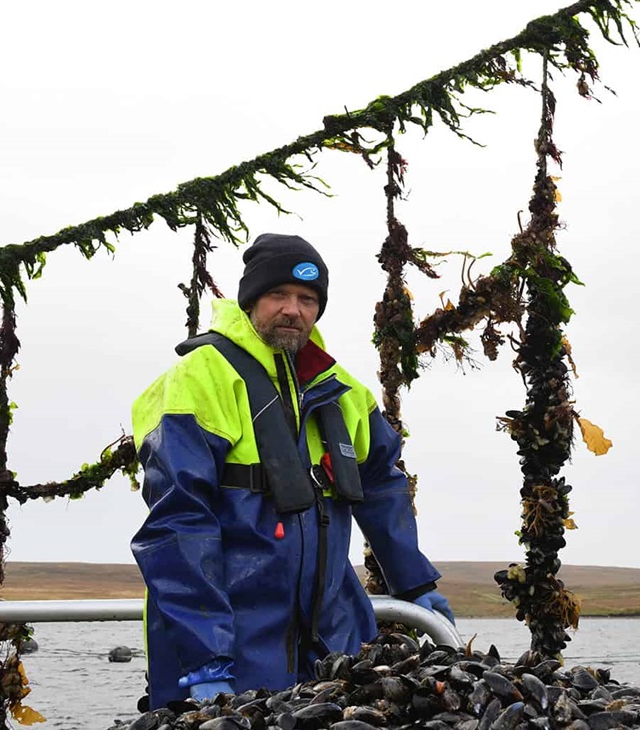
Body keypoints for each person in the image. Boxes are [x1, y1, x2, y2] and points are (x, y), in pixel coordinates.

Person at [130, 233, 453, 708]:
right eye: (278, 295)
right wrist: (204, 656)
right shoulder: (197, 380)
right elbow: (178, 522)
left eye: (307, 299)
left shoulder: (344, 391)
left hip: (334, 640)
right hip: (227, 642)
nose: (292, 310)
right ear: (250, 300)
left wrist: (416, 585)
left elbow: (383, 484)